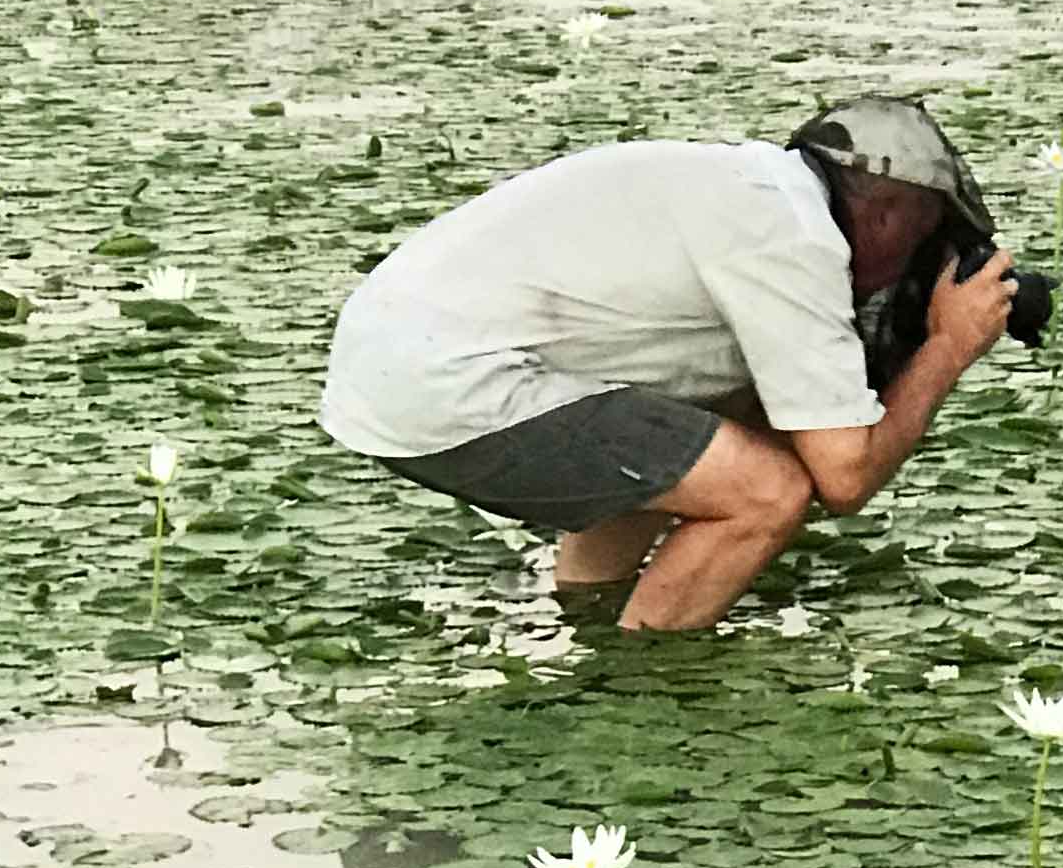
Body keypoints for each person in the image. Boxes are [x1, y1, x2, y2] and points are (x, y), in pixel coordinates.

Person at [318, 97, 1017, 634]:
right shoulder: (793, 239)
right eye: (928, 239)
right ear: (891, 215)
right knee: (764, 493)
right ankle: (635, 680)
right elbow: (843, 477)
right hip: (449, 385)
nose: (923, 269)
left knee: (704, 436)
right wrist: (947, 347)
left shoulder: (754, 191)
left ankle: (585, 617)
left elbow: (755, 415)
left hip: (391, 361)